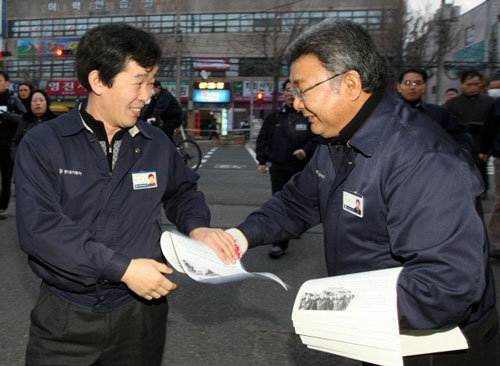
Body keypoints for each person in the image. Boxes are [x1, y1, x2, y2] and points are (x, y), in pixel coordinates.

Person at [227, 20, 500, 365]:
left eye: (302, 89)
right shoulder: (336, 139)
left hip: (436, 346)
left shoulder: (423, 160)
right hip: (381, 328)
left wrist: (337, 303)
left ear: (351, 84)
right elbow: (297, 203)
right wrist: (238, 236)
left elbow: (445, 286)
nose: (296, 103)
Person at [15, 23, 238, 366]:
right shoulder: (44, 144)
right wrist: (122, 269)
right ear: (98, 81)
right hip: (65, 316)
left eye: (152, 84)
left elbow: (182, 192)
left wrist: (198, 227)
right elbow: (40, 228)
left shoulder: (155, 143)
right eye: (139, 83)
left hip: (141, 317)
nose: (148, 96)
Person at [255, 78, 321, 258]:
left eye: (295, 91)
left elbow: (318, 138)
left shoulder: (309, 115)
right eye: (288, 91)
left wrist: (305, 150)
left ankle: (295, 226)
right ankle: (279, 243)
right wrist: (262, 160)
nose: (291, 95)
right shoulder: (274, 117)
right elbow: (263, 139)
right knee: (280, 204)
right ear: (283, 94)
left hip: (302, 169)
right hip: (279, 169)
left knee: (300, 203)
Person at [397, 68, 474, 153]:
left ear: (424, 87)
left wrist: (464, 149)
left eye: (418, 83)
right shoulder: (387, 113)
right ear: (399, 87)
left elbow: (461, 134)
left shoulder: (438, 113)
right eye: (407, 83)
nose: (412, 87)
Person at [445, 70, 496, 196]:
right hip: (459, 143)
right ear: (462, 84)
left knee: (481, 168)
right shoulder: (452, 104)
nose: (473, 88)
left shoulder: (490, 102)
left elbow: (493, 125)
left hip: (482, 142)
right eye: (469, 84)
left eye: (476, 84)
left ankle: (482, 190)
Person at [0, 71, 26, 219]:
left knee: (6, 178)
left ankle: (3, 207)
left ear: (7, 82)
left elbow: (24, 118)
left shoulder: (13, 100)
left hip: (6, 146)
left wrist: (7, 116)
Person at [11, 89, 57, 159]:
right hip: (28, 161)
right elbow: (16, 142)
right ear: (30, 104)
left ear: (47, 103)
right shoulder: (25, 120)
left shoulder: (55, 121)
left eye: (41, 100)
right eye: (34, 101)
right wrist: (17, 158)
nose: (38, 103)